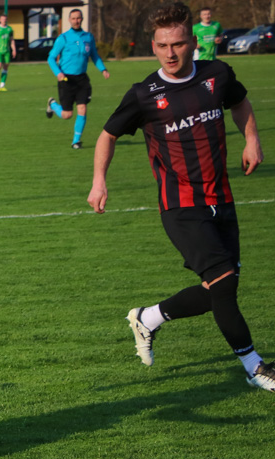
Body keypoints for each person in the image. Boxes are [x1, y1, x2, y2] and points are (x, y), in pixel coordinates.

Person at [86, 2, 274, 391]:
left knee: (222, 289)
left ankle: (149, 317)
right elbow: (107, 135)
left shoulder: (217, 74)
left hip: (221, 198)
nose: (170, 53)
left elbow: (239, 102)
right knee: (223, 282)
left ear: (192, 42)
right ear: (152, 46)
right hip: (180, 205)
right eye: (161, 45)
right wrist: (98, 181)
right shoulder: (143, 95)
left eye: (177, 44)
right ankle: (255, 368)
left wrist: (253, 140)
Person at [45, 9, 109, 149]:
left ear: (82, 19)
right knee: (67, 114)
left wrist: (103, 69)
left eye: (78, 18)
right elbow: (51, 58)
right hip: (66, 80)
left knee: (82, 108)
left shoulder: (88, 37)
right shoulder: (64, 38)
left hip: (82, 80)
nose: (76, 20)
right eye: (73, 18)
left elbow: (95, 56)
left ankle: (76, 141)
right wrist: (58, 73)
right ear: (69, 20)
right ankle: (52, 104)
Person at [0, 14, 16, 92]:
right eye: (2, 19)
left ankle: (2, 85)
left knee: (5, 68)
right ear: (0, 20)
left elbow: (11, 40)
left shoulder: (9, 29)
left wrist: (14, 49)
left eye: (5, 19)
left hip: (7, 51)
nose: (4, 20)